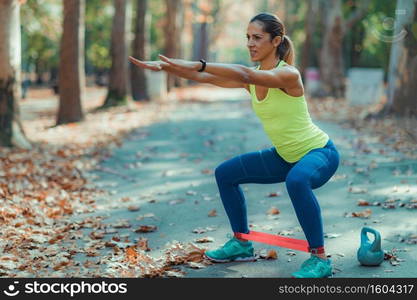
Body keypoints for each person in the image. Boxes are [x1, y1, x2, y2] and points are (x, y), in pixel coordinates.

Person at [129, 12, 340, 278]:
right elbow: (206, 78)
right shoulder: (251, 78)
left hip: (319, 153)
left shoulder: (288, 74)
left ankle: (319, 259)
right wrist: (168, 67)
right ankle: (241, 243)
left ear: (276, 41)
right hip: (285, 156)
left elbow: (240, 73)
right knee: (225, 174)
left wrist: (199, 62)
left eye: (257, 38)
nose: (250, 43)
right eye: (248, 38)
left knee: (297, 181)